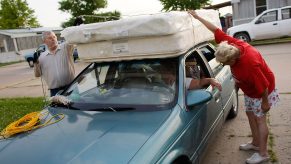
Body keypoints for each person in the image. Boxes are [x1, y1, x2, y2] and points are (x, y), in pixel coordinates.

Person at [188, 10, 279, 164]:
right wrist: (197, 17)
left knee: (260, 120)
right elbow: (215, 30)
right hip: (251, 90)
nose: (224, 65)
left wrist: (265, 102)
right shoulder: (231, 45)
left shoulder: (250, 65)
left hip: (262, 91)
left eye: (225, 63)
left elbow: (263, 85)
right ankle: (255, 143)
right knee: (250, 114)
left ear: (233, 59)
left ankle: (263, 154)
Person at [34, 31, 75, 96]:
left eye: (54, 37)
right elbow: (37, 74)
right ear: (44, 41)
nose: (53, 39)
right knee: (59, 106)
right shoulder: (42, 57)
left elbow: (73, 39)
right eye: (50, 38)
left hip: (71, 87)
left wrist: (76, 27)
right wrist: (36, 62)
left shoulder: (65, 47)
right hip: (54, 91)